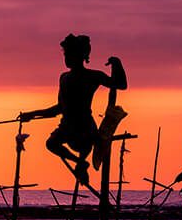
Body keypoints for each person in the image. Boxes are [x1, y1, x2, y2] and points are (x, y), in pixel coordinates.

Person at [19, 34, 127, 191]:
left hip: (84, 128)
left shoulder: (93, 76)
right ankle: (80, 163)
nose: (67, 58)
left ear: (82, 56)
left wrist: (117, 64)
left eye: (70, 54)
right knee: (51, 144)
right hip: (67, 126)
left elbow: (120, 84)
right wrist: (32, 114)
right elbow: (59, 108)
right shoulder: (64, 78)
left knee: (82, 146)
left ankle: (81, 163)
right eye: (65, 54)